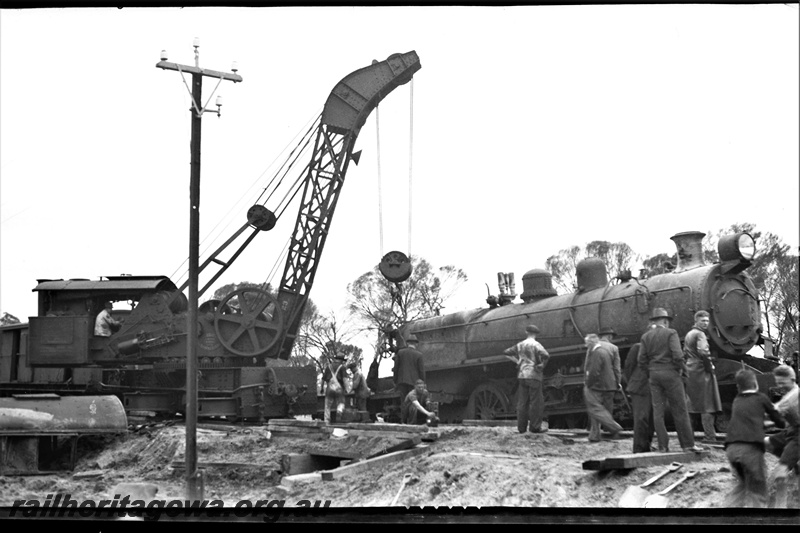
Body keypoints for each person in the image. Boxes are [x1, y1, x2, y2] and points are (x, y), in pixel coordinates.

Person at [637, 307, 703, 453]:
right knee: (680, 409)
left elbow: (641, 360)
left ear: (654, 321)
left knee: (658, 412)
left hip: (654, 375)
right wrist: (683, 370)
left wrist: (650, 372)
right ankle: (687, 444)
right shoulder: (671, 333)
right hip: (671, 375)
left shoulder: (645, 337)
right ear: (665, 321)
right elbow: (678, 356)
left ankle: (663, 446)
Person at [723, 369, 785, 508]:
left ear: (738, 387)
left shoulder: (737, 400)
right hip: (750, 449)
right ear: (756, 384)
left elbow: (749, 421)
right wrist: (783, 423)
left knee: (744, 484)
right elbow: (778, 420)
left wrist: (763, 424)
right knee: (758, 490)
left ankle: (726, 512)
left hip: (731, 449)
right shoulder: (761, 398)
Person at [683, 310, 722, 443]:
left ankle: (688, 436)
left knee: (691, 405)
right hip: (701, 371)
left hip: (690, 369)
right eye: (703, 321)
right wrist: (710, 367)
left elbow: (685, 353)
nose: (706, 323)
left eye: (707, 321)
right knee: (708, 405)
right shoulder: (700, 334)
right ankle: (710, 436)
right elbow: (703, 352)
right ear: (696, 321)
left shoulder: (689, 334)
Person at [764, 364, 799, 508]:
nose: (779, 386)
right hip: (790, 431)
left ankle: (780, 507)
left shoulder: (793, 396)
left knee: (780, 473)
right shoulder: (789, 393)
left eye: (782, 383)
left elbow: (774, 413)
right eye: (778, 383)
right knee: (765, 442)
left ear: (792, 379)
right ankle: (795, 464)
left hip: (798, 437)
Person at [504, 324, 550, 434]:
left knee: (522, 403)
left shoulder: (520, 344)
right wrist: (542, 365)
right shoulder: (536, 344)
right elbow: (546, 355)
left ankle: (521, 428)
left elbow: (506, 352)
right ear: (536, 334)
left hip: (522, 376)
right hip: (534, 376)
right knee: (536, 402)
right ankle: (535, 427)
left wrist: (517, 361)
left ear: (526, 332)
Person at [583, 333, 624, 442]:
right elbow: (617, 368)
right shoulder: (612, 348)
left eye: (586, 343)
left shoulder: (596, 351)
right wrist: (618, 382)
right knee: (607, 408)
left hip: (597, 385)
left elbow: (591, 369)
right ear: (610, 337)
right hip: (610, 384)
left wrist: (588, 382)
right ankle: (610, 431)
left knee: (595, 409)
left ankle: (599, 433)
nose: (586, 345)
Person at [623, 342, 655, 453]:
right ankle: (639, 448)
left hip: (654, 386)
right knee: (641, 418)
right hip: (640, 386)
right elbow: (628, 367)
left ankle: (646, 445)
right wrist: (633, 381)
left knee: (651, 419)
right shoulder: (637, 347)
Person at [393, 334, 425, 403]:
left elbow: (396, 368)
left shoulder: (400, 352)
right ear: (416, 344)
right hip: (413, 383)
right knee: (413, 402)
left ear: (407, 343)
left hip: (401, 382)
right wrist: (422, 383)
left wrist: (395, 381)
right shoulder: (419, 355)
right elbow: (421, 371)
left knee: (403, 402)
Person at [322, 354, 346, 424]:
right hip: (339, 389)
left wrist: (321, 388)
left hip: (329, 389)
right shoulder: (342, 367)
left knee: (327, 406)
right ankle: (339, 411)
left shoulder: (328, 367)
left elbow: (323, 379)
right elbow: (345, 379)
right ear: (341, 360)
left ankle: (326, 421)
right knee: (341, 403)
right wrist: (347, 389)